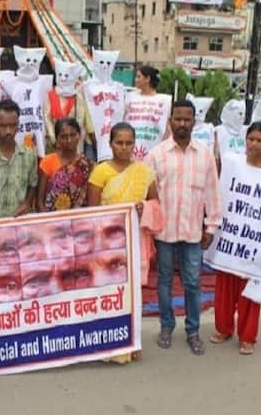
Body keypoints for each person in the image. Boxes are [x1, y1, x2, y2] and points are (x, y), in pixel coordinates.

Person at [145, 99, 221, 356]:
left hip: (192, 232)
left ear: (194, 122)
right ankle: (166, 326)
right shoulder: (156, 155)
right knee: (164, 281)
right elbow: (148, 194)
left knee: (192, 282)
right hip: (164, 232)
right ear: (170, 121)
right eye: (178, 118)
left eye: (187, 119)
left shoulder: (205, 155)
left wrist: (211, 227)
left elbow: (212, 193)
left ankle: (193, 331)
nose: (182, 123)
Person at [210, 122, 261, 355]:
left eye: (259, 140)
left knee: (250, 291)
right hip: (232, 239)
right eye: (250, 139)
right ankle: (223, 329)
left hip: (256, 242)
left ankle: (248, 336)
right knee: (225, 287)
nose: (254, 144)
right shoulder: (233, 164)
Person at [87, 122, 159, 285]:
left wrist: (145, 208)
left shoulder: (144, 171)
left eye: (129, 143)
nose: (124, 148)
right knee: (110, 281)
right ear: (110, 144)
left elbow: (155, 203)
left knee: (134, 285)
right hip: (107, 238)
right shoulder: (100, 171)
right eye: (119, 143)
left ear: (134, 144)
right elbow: (92, 211)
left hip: (136, 237)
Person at [37, 118, 92, 212]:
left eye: (73, 135)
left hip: (79, 217)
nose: (69, 140)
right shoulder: (47, 161)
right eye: (63, 136)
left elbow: (89, 202)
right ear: (57, 138)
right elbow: (40, 202)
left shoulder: (86, 165)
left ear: (79, 135)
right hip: (52, 217)